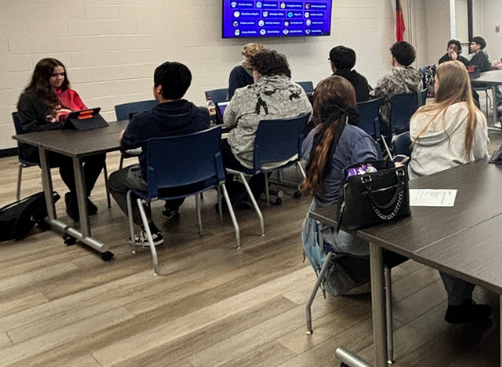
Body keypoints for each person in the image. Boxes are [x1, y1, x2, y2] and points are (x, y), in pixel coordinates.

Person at [407, 60, 490, 322]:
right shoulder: (472, 115)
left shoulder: (420, 114)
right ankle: (462, 300)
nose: (433, 83)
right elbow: (480, 160)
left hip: (415, 195)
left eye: (436, 80)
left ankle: (459, 298)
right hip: (454, 199)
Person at [106, 61, 211, 247]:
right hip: (196, 176)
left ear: (159, 88)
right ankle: (172, 206)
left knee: (115, 180)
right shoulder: (202, 115)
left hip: (157, 181)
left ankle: (149, 230)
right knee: (179, 163)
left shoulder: (142, 121)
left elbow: (127, 145)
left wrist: (123, 135)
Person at [299, 75, 382, 274]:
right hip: (352, 236)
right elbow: (373, 187)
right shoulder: (358, 139)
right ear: (351, 102)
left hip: (325, 229)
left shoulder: (310, 138)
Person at [16, 57, 107, 222]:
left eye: (62, 74)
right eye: (54, 75)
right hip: (40, 147)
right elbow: (30, 130)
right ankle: (80, 200)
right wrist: (64, 125)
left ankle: (78, 197)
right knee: (68, 158)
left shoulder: (69, 94)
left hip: (71, 141)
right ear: (42, 77)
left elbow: (83, 115)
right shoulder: (29, 98)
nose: (59, 78)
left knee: (98, 154)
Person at [221, 48, 312, 200]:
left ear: (259, 71)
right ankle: (253, 190)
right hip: (288, 152)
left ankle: (232, 193)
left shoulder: (244, 94)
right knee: (268, 141)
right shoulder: (299, 90)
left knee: (217, 150)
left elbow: (227, 121)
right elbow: (309, 116)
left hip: (250, 156)